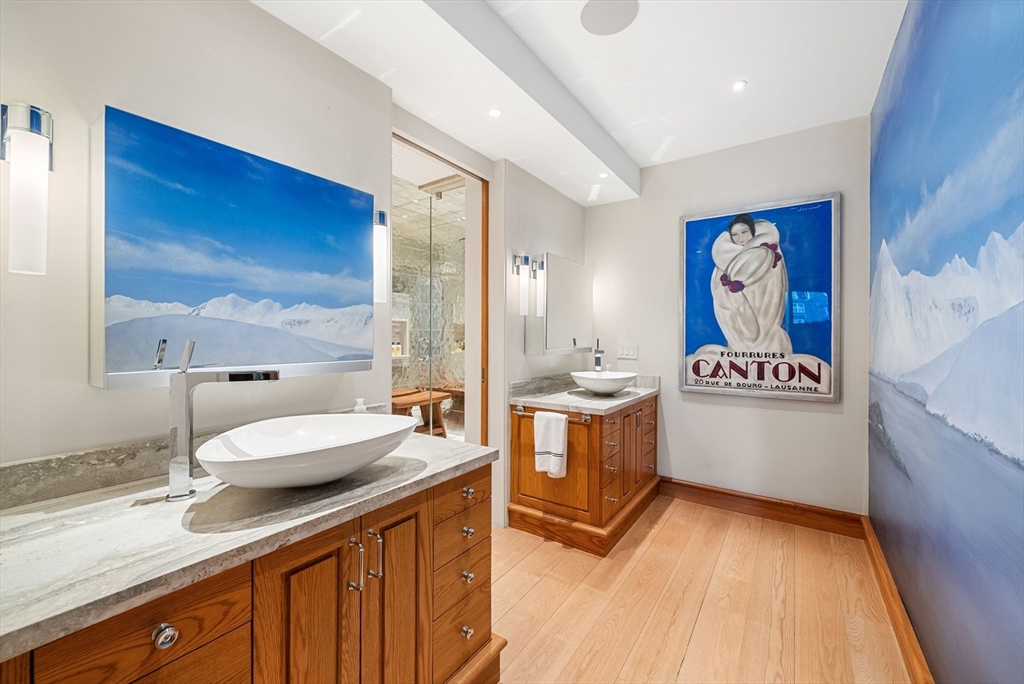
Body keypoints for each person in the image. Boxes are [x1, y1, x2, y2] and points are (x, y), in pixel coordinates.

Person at [710, 213, 792, 353]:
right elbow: (718, 291)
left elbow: (773, 285)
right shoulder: (723, 261)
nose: (740, 239)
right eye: (735, 234)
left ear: (753, 232)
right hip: (736, 320)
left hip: (764, 313)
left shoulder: (766, 252)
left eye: (744, 232)